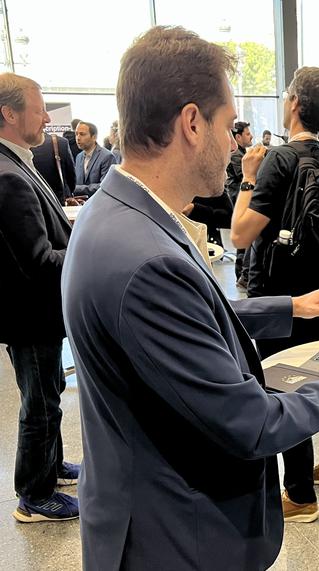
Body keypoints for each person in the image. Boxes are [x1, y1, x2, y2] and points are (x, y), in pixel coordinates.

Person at [62, 28, 319, 570]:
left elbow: (189, 324)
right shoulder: (147, 261)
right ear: (192, 123)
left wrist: (290, 306)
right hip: (176, 538)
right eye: (227, 124)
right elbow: (251, 424)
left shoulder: (116, 215)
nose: (236, 143)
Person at [230, 66, 319, 523]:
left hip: (282, 297)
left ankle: (300, 495)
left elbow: (242, 235)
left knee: (288, 385)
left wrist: (248, 177)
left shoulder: (280, 159)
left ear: (294, 105)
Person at [0, 72, 80, 523]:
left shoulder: (18, 162)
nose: (47, 118)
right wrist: (89, 249)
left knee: (48, 392)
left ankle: (52, 467)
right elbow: (37, 260)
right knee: (40, 405)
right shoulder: (8, 175)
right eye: (38, 109)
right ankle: (34, 493)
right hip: (30, 314)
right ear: (9, 114)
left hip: (35, 311)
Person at [226, 120, 254, 287]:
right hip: (238, 197)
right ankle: (242, 275)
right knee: (244, 236)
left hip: (241, 196)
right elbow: (244, 176)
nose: (251, 136)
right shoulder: (237, 156)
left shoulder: (243, 154)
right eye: (248, 134)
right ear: (238, 136)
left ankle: (242, 274)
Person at [73, 120, 115, 197]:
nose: (78, 138)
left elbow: (105, 186)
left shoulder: (107, 156)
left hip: (100, 204)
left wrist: (77, 189)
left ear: (94, 137)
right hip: (80, 205)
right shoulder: (79, 157)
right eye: (76, 134)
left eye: (82, 134)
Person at [32, 132, 76, 203]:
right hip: (59, 200)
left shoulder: (24, 144)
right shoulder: (61, 142)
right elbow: (71, 177)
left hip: (35, 199)